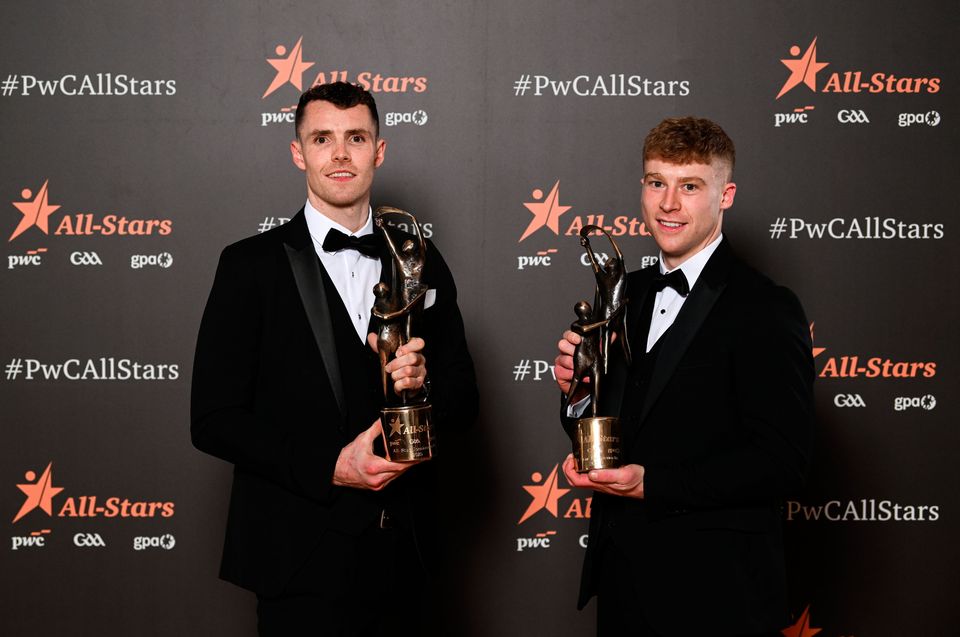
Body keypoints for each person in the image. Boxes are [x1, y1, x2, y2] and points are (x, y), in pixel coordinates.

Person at [191, 81, 478, 636]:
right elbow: (213, 420)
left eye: (356, 138)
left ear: (379, 150)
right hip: (298, 562)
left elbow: (464, 403)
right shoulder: (248, 266)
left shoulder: (421, 260)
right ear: (298, 152)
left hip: (408, 561)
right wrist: (330, 466)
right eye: (323, 139)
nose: (341, 154)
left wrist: (424, 384)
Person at [555, 117, 814, 637]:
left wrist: (653, 484)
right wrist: (579, 393)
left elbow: (783, 461)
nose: (668, 204)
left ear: (725, 196)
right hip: (624, 583)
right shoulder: (623, 294)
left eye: (690, 186)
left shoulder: (765, 306)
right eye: (657, 183)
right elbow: (610, 424)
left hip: (719, 594)